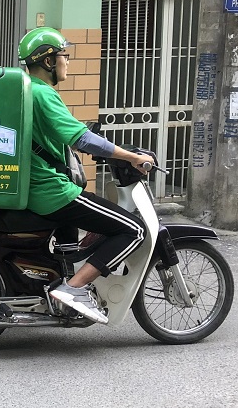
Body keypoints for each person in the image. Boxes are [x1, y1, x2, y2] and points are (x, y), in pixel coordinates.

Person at [18, 27, 152, 324]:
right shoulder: (43, 94)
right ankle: (73, 289)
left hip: (33, 187)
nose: (67, 61)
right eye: (64, 56)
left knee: (73, 239)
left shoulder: (26, 89)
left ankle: (63, 284)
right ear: (49, 61)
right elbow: (83, 139)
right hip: (51, 191)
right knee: (133, 230)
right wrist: (132, 157)